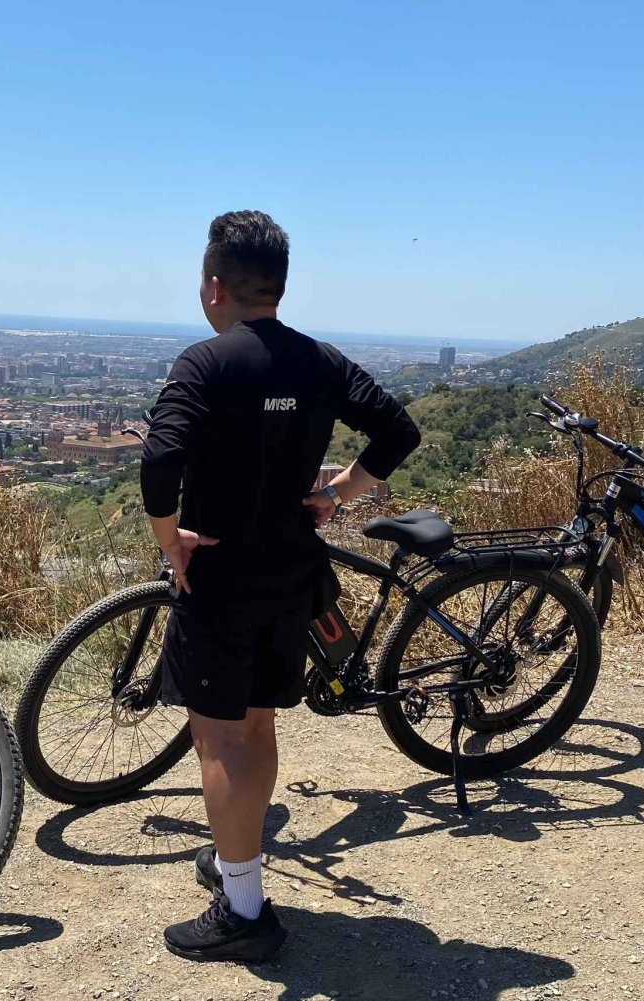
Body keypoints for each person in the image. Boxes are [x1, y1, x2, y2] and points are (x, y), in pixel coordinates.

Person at [141, 210, 420, 962]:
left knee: (218, 737)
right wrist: (341, 492)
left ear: (212, 285)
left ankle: (244, 909)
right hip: (292, 572)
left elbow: (160, 463)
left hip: (221, 576)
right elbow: (398, 431)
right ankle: (241, 863)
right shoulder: (320, 362)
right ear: (279, 286)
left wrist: (172, 541)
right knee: (257, 726)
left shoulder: (204, 363)